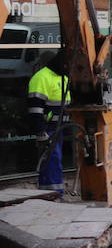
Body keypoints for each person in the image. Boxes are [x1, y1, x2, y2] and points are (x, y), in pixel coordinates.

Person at [27, 51, 70, 193]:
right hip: (49, 129)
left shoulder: (63, 77)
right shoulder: (41, 78)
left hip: (59, 128)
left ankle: (51, 194)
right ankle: (54, 195)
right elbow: (35, 108)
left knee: (54, 162)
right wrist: (40, 131)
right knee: (52, 162)